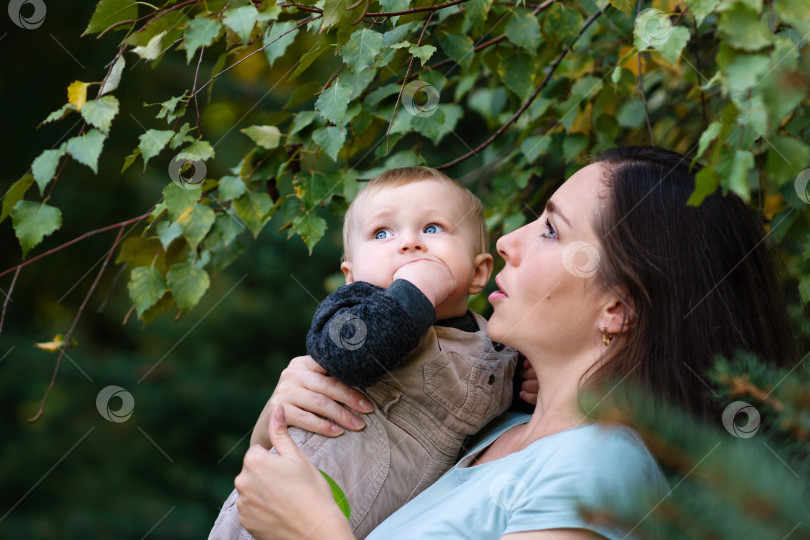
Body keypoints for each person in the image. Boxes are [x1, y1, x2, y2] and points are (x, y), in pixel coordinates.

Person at [231, 147, 796, 539]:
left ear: (617, 307)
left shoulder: (597, 467)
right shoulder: (492, 428)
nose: (505, 241)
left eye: (551, 230)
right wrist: (289, 421)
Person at [210, 167, 520, 539]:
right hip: (278, 510)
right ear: (352, 275)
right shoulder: (353, 309)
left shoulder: (495, 341)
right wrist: (414, 290)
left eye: (433, 228)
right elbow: (349, 356)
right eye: (382, 233)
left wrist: (524, 379)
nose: (409, 244)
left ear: (478, 272)